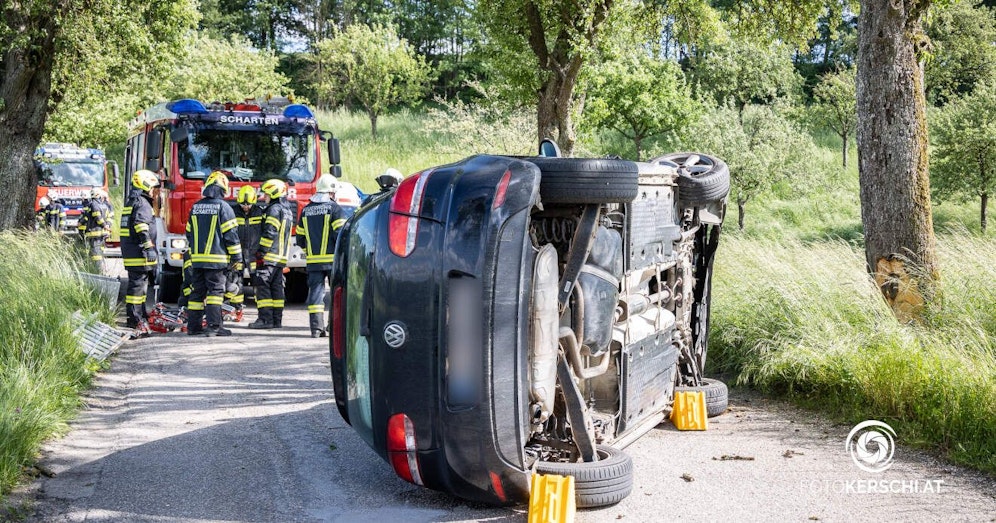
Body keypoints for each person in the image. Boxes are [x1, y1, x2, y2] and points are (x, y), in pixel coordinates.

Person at [185, 171, 242, 337]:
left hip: (197, 259)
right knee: (215, 293)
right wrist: (237, 257)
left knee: (197, 292)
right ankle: (214, 327)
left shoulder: (195, 207)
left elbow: (189, 233)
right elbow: (231, 236)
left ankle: (193, 327)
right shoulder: (224, 208)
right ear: (222, 189)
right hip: (216, 261)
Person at [297, 174, 349, 337]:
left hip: (313, 262)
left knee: (315, 295)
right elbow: (340, 235)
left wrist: (309, 252)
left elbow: (300, 237)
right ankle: (332, 328)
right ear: (332, 191)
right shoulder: (335, 209)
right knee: (335, 295)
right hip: (332, 261)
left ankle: (316, 329)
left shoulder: (306, 210)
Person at [248, 179, 294, 330]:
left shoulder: (274, 210)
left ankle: (265, 320)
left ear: (274, 193)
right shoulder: (287, 210)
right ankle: (276, 320)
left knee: (262, 287)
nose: (264, 197)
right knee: (277, 289)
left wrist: (261, 251)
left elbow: (270, 232)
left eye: (267, 194)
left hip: (268, 257)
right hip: (280, 258)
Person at [120, 169, 160, 335]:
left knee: (139, 287)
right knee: (137, 288)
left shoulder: (132, 202)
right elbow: (141, 227)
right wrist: (149, 247)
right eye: (152, 187)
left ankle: (139, 316)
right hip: (139, 253)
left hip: (132, 252)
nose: (153, 191)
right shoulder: (143, 204)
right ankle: (136, 320)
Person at [225, 185, 263, 321]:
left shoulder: (260, 212)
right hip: (238, 254)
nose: (245, 207)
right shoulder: (232, 212)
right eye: (242, 204)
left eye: (248, 204)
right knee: (236, 281)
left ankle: (262, 312)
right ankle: (236, 309)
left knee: (258, 283)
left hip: (254, 254)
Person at [81, 188, 113, 272]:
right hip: (103, 233)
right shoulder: (105, 205)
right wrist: (107, 226)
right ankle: (100, 269)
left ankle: (97, 271)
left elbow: (97, 217)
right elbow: (110, 217)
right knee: (100, 251)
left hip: (94, 233)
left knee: (95, 253)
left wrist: (104, 225)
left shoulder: (93, 204)